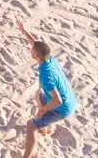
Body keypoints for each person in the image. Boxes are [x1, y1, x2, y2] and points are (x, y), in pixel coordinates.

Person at [16, 21, 78, 158]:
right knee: (39, 95)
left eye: (31, 50)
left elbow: (57, 101)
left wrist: (42, 110)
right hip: (71, 98)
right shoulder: (49, 59)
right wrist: (24, 31)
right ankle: (43, 124)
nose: (30, 49)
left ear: (35, 55)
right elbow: (36, 45)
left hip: (63, 108)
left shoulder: (46, 75)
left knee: (31, 125)